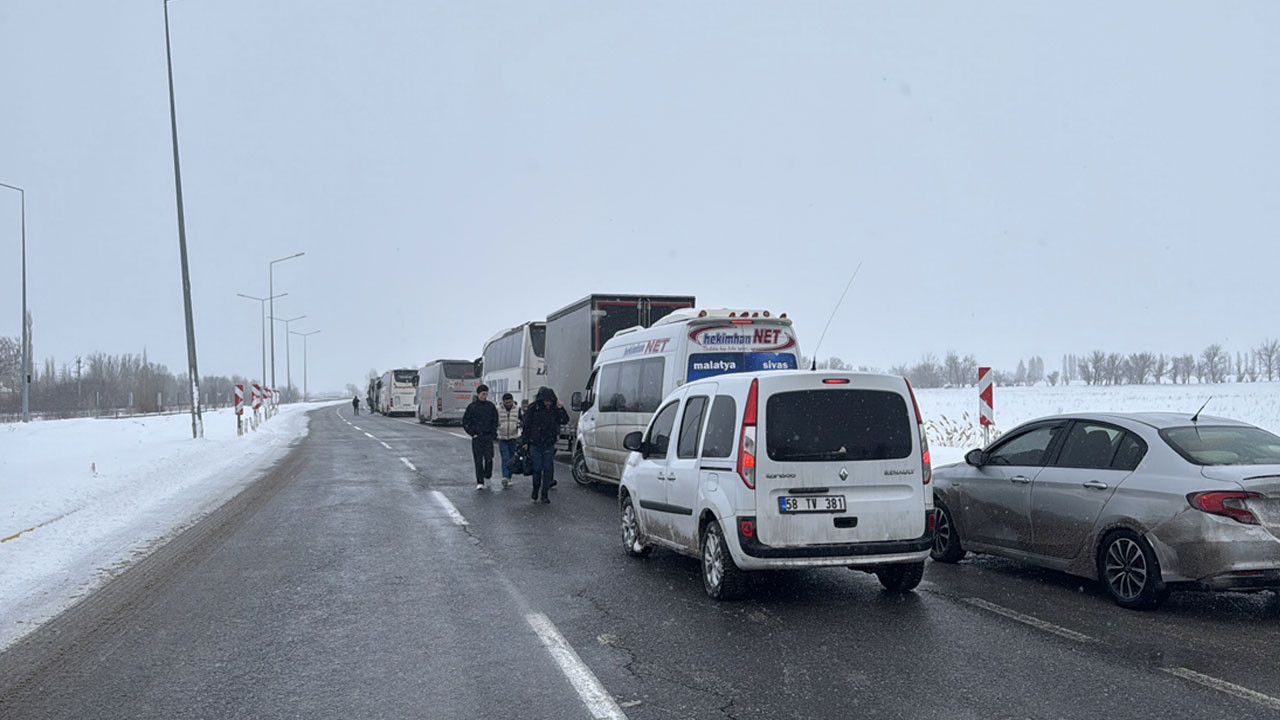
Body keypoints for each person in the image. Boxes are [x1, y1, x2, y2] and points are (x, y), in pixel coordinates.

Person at [521, 386, 569, 504]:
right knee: (537, 469)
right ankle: (536, 489)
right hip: (535, 443)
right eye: (546, 401)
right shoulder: (534, 408)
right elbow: (526, 425)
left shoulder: (554, 410)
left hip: (549, 443)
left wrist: (561, 408)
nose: (548, 403)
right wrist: (525, 441)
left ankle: (544, 494)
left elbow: (564, 420)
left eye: (550, 401)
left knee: (547, 469)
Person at [462, 384, 498, 490]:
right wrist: (472, 433)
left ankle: (487, 475)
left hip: (487, 436)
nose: (484, 396)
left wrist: (493, 433)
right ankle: (480, 481)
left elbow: (495, 420)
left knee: (489, 459)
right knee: (478, 460)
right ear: (478, 394)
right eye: (483, 394)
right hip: (477, 437)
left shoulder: (490, 406)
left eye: (486, 394)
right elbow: (466, 421)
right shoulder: (472, 407)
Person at [496, 392, 522, 489]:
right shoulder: (498, 410)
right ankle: (505, 477)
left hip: (513, 437)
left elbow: (522, 420)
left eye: (510, 402)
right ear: (503, 402)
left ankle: (509, 477)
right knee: (505, 457)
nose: (508, 404)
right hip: (502, 437)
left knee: (512, 458)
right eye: (506, 402)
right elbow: (495, 421)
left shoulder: (517, 409)